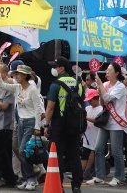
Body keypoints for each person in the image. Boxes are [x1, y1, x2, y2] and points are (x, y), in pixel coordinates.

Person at [0, 62, 42, 191]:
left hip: (30, 122)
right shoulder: (17, 87)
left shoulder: (32, 89)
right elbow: (1, 84)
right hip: (20, 121)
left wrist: (38, 126)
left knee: (22, 151)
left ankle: (31, 178)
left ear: (25, 75)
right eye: (16, 73)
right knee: (21, 151)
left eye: (19, 74)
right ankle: (28, 178)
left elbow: (38, 109)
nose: (16, 75)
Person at [44, 57, 83, 193]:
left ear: (61, 68)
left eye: (56, 66)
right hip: (75, 124)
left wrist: (46, 125)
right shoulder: (78, 84)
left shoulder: (55, 84)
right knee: (74, 155)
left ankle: (58, 185)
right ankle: (77, 185)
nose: (54, 69)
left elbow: (50, 108)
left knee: (57, 156)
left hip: (59, 124)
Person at [87, 63, 127, 187]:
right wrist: (100, 91)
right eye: (106, 70)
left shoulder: (120, 86)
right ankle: (100, 176)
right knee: (99, 148)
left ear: (116, 73)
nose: (107, 72)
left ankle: (119, 177)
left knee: (116, 151)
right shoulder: (106, 85)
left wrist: (100, 85)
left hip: (116, 122)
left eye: (110, 70)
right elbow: (102, 102)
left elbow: (108, 99)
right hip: (106, 121)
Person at [81, 89, 102, 180]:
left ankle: (87, 171)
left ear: (96, 99)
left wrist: (85, 118)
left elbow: (97, 121)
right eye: (88, 100)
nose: (89, 102)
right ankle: (80, 172)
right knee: (84, 153)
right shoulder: (87, 108)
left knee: (92, 151)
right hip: (87, 134)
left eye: (91, 100)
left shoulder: (101, 109)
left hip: (96, 134)